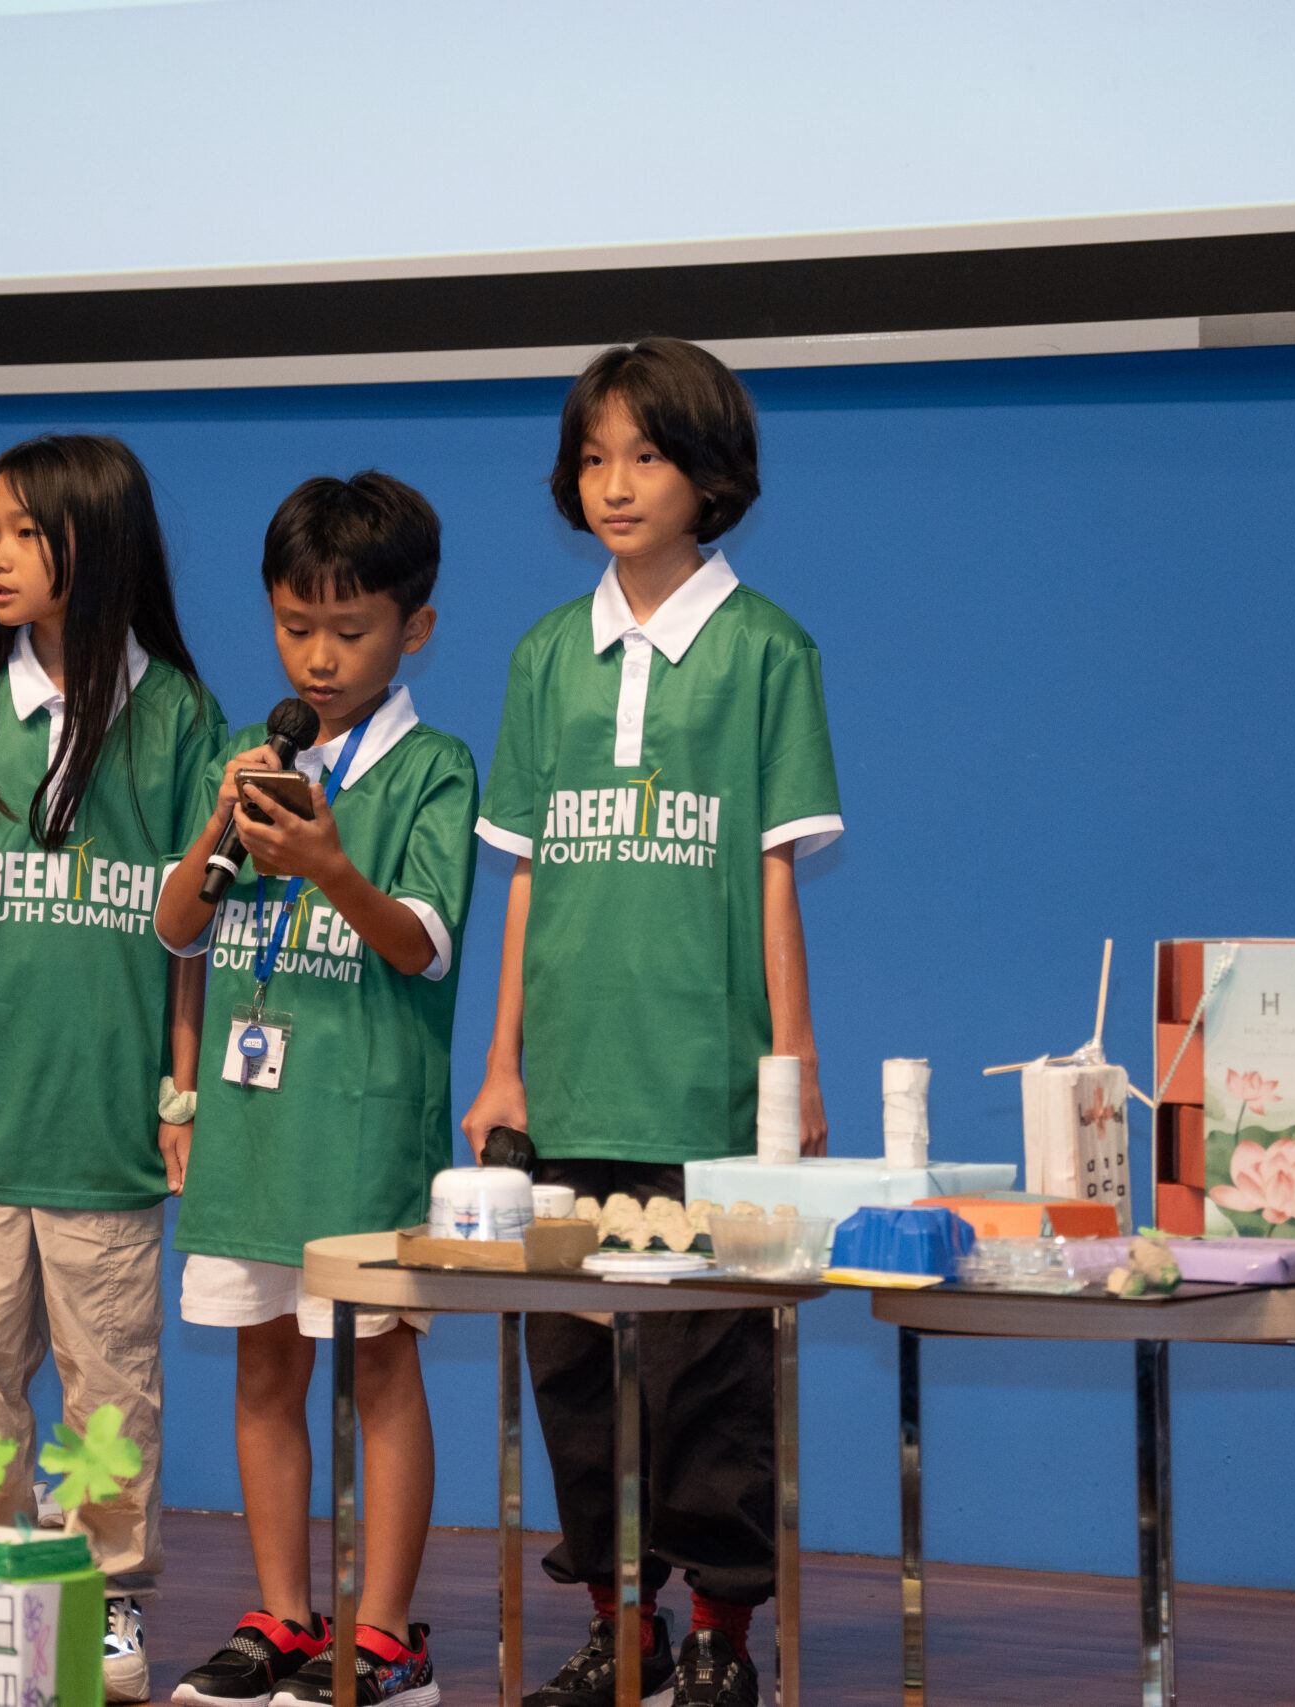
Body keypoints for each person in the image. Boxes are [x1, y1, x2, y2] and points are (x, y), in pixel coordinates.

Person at [461, 340, 844, 1707]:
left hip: (705, 1094)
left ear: (711, 474)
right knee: (573, 1370)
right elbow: (523, 876)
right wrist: (502, 1066)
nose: (615, 485)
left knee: (711, 1378)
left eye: (646, 455)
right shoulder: (543, 656)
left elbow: (775, 872)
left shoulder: (766, 651)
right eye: (592, 458)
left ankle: (721, 1634)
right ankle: (618, 1623)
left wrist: (790, 1073)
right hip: (566, 1088)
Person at [0, 434, 225, 1704]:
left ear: (99, 541)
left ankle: (105, 1598)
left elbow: (191, 936)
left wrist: (181, 1092)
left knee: (108, 1390)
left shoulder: (177, 717)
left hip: (105, 1132)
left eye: (26, 532)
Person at [155, 472, 476, 1707]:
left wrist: (331, 866)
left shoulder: (434, 768)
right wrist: (219, 829)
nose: (320, 658)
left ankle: (386, 1634)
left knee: (379, 1371)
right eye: (297, 628)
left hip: (361, 1128)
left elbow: (420, 945)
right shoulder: (249, 756)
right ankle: (284, 1618)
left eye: (351, 630)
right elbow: (178, 927)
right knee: (261, 1368)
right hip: (251, 1127)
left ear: (414, 628)